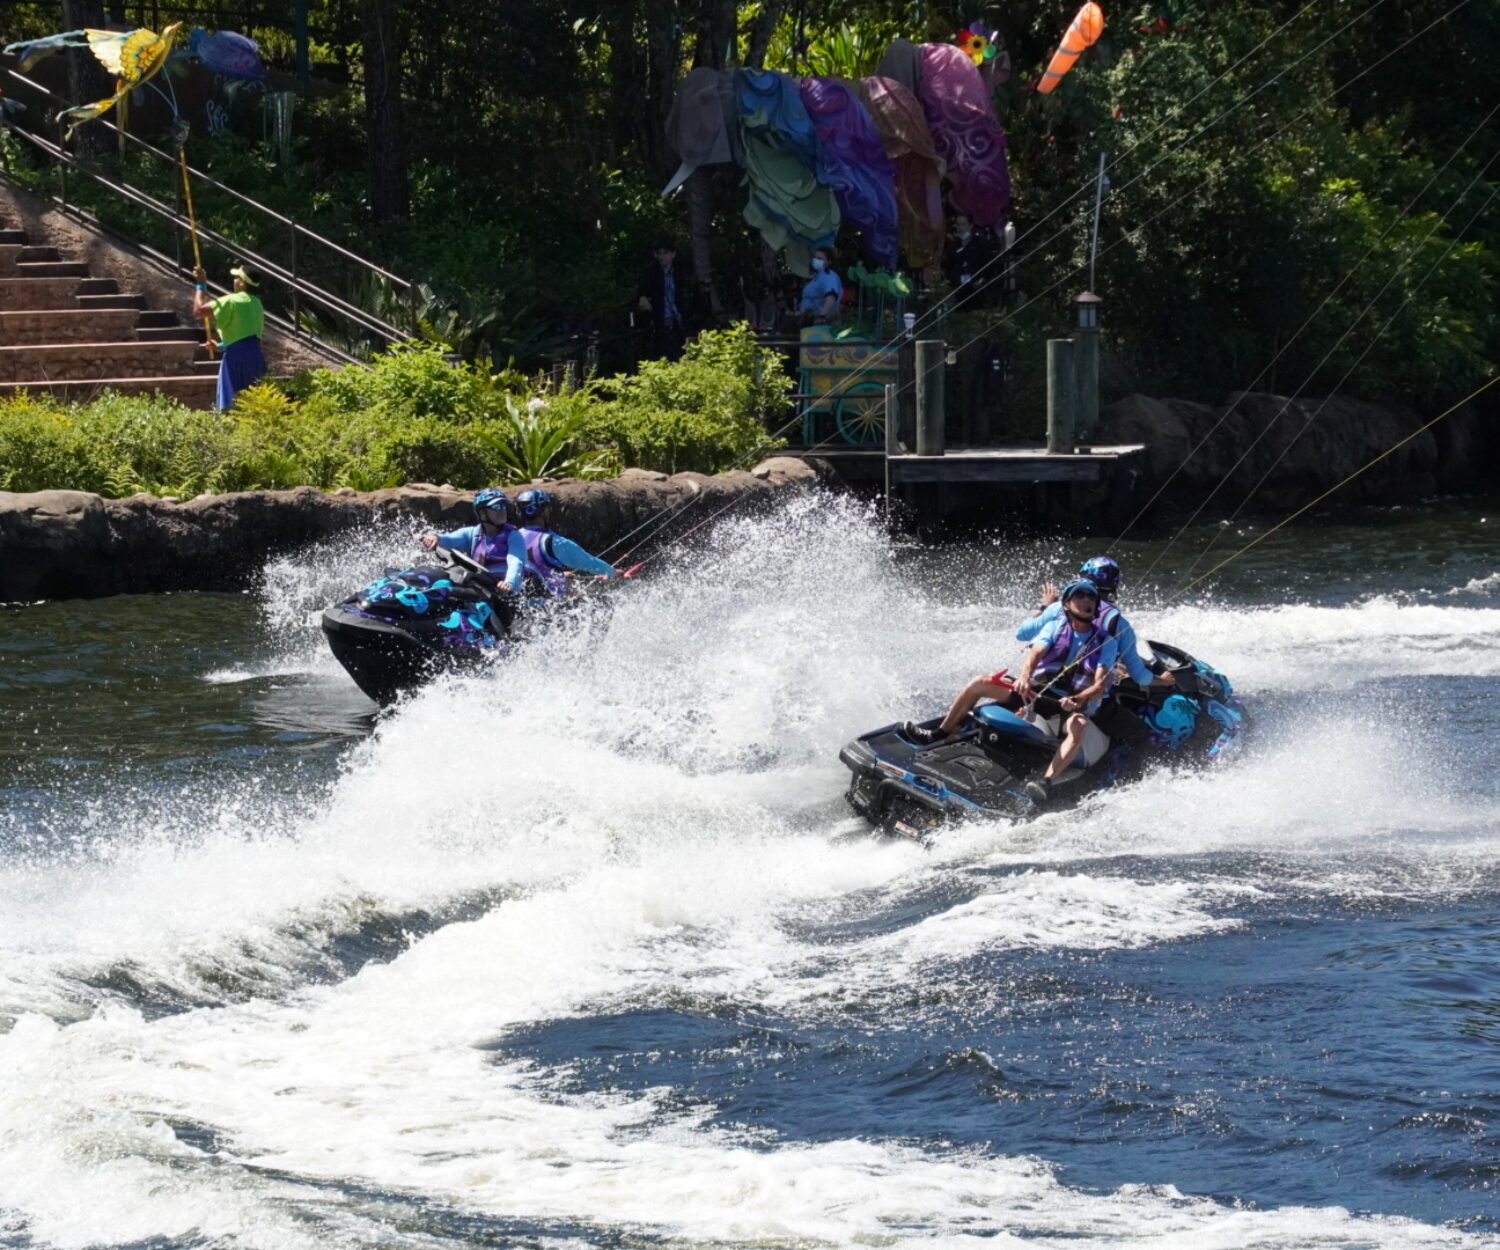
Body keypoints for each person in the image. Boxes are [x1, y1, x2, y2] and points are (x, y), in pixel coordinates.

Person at [1019, 555, 1173, 745]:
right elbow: (1139, 676)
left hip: (1041, 687)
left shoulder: (1060, 606)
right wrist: (1162, 681)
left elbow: (1022, 634)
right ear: (1114, 585)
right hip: (1086, 702)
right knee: (1140, 733)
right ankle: (1118, 772)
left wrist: (1044, 607)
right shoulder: (1119, 624)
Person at [420, 487, 526, 625]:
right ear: (482, 513)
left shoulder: (514, 536)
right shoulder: (473, 534)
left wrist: (509, 583)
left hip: (503, 597)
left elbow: (516, 561)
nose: (502, 510)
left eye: (503, 505)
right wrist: (435, 537)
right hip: (478, 591)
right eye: (496, 506)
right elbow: (449, 539)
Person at [512, 487, 617, 597]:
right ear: (543, 512)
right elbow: (589, 562)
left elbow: (529, 570)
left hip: (522, 604)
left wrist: (559, 576)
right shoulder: (553, 541)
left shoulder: (513, 537)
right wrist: (612, 572)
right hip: (550, 607)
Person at [191, 263, 266, 410]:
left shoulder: (231, 300)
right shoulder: (257, 304)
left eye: (237, 277)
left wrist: (201, 285)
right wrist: (220, 346)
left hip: (236, 359)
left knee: (230, 405)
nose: (234, 280)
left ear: (242, 282)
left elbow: (199, 311)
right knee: (255, 406)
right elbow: (247, 337)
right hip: (256, 358)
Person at [635, 240, 688, 360]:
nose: (662, 256)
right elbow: (641, 295)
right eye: (660, 253)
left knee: (682, 353)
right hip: (660, 321)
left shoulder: (680, 272)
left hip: (679, 319)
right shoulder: (650, 273)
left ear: (673, 254)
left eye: (665, 253)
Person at [942, 212, 996, 301]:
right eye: (958, 224)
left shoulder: (979, 243)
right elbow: (949, 265)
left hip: (976, 288)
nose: (960, 227)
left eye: (963, 224)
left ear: (970, 226)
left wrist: (981, 280)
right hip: (958, 288)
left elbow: (988, 265)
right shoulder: (954, 245)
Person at [797, 246, 843, 323]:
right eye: (815, 257)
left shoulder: (829, 276)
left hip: (821, 321)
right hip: (809, 318)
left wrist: (822, 317)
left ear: (828, 262)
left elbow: (830, 297)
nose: (816, 260)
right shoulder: (817, 276)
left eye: (820, 259)